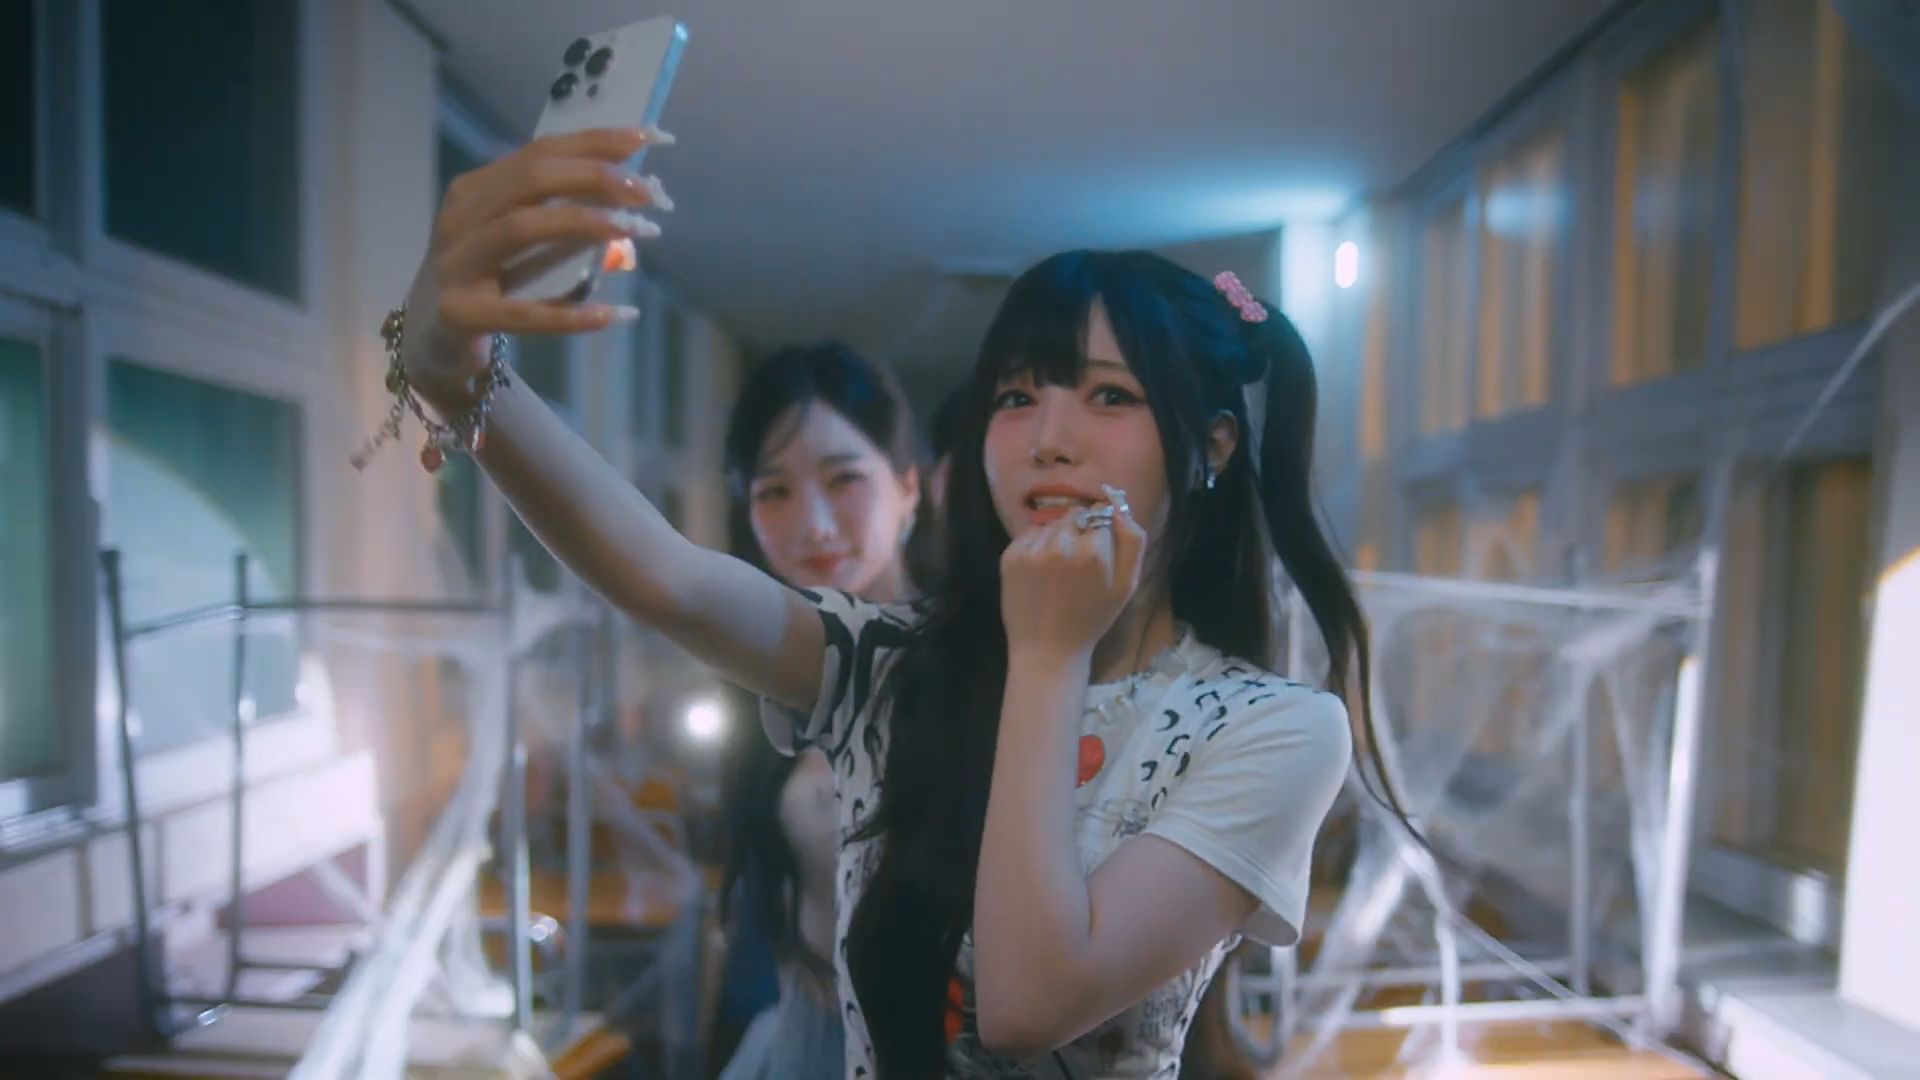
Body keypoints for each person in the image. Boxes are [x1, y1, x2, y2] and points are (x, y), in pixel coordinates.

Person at [394, 127, 1408, 1078]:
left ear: (1213, 445)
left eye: (1110, 395)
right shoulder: (894, 663)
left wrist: (1048, 655)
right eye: (1017, 396)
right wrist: (459, 375)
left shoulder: (1275, 729)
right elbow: (669, 578)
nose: (1049, 439)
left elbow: (1028, 1002)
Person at [711, 341, 929, 1080]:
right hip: (807, 1037)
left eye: (844, 480)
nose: (814, 526)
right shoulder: (761, 674)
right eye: (774, 491)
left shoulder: (972, 665)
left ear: (908, 487)